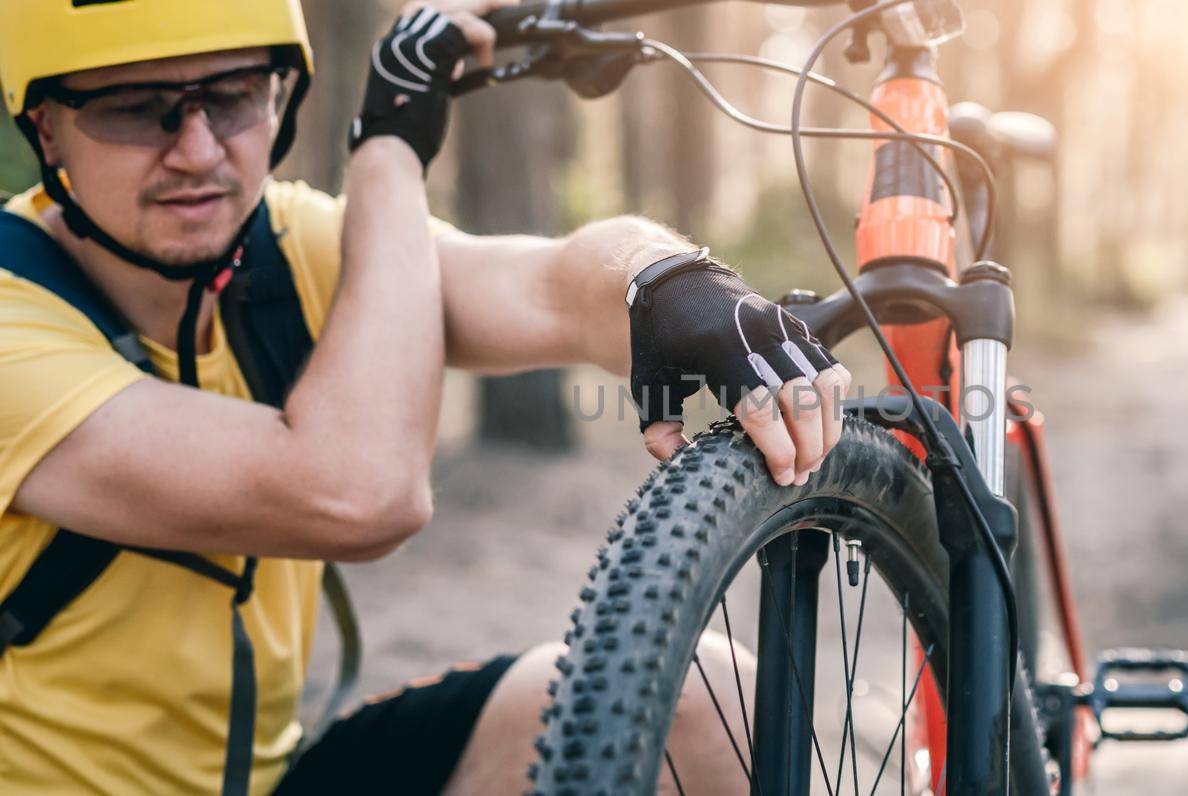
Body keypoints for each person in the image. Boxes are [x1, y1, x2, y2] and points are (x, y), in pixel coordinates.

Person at [0, 0, 848, 793]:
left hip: (274, 776)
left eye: (232, 96)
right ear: (45, 128)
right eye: (131, 108)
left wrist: (667, 283)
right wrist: (389, 150)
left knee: (704, 701)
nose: (196, 149)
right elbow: (358, 492)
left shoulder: (294, 254)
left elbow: (554, 287)